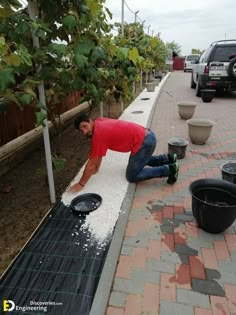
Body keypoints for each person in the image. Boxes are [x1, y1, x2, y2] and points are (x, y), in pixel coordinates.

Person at [68, 115, 179, 193]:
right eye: (81, 130)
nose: (85, 131)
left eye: (84, 126)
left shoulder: (98, 134)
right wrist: (96, 169)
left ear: (90, 121)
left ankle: (170, 169)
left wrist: (81, 184)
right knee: (140, 160)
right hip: (147, 136)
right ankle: (168, 158)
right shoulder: (99, 122)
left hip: (145, 142)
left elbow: (91, 163)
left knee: (131, 176)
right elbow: (98, 154)